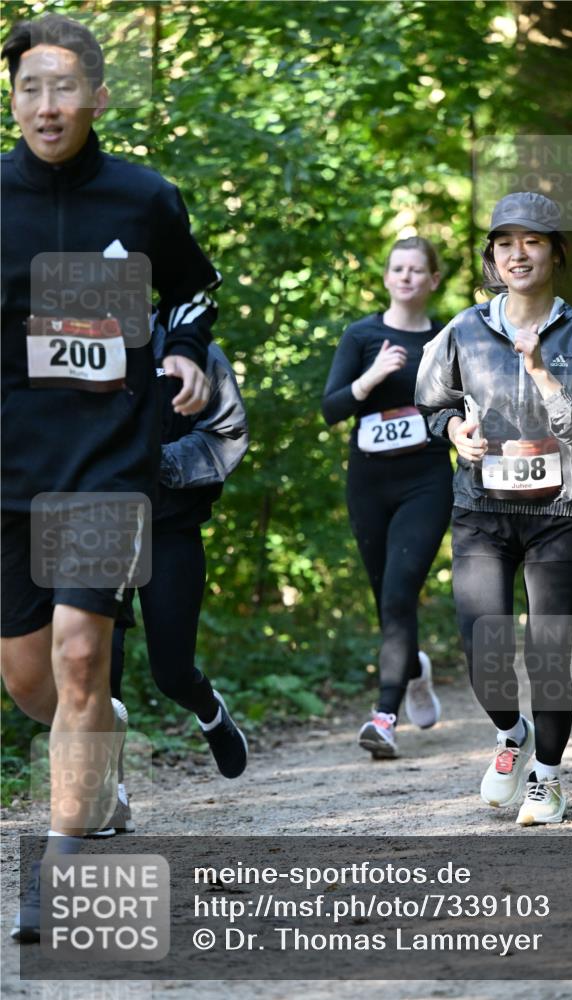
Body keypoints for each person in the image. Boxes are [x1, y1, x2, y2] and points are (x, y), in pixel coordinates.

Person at [1, 13, 218, 940]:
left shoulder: (143, 198)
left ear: (96, 94)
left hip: (106, 460)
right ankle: (102, 749)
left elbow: (195, 288)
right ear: (13, 99)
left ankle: (60, 862)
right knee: (29, 678)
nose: (46, 106)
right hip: (9, 464)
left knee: (81, 655)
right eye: (28, 88)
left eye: (62, 87)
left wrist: (184, 350)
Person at [415, 192, 572, 824]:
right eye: (505, 243)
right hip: (481, 509)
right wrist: (453, 429)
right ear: (492, 256)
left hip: (559, 515)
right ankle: (512, 734)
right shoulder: (464, 330)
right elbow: (431, 402)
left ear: (556, 252)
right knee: (482, 645)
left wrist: (540, 372)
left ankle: (550, 780)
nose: (517, 253)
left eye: (532, 241)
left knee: (548, 652)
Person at [109, 319, 249, 832]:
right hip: (94, 525)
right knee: (98, 665)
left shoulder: (191, 349)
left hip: (170, 526)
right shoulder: (67, 345)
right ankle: (110, 787)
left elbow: (227, 430)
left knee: (171, 673)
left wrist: (153, 464)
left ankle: (211, 711)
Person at [322, 237, 453, 759]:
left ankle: (384, 716)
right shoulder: (362, 335)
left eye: (417, 270)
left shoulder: (447, 338)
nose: (406, 277)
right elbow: (331, 409)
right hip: (369, 483)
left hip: (426, 481)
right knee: (386, 600)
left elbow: (463, 407)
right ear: (386, 277)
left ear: (433, 280)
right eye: (397, 268)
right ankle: (414, 670)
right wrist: (372, 376)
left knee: (400, 594)